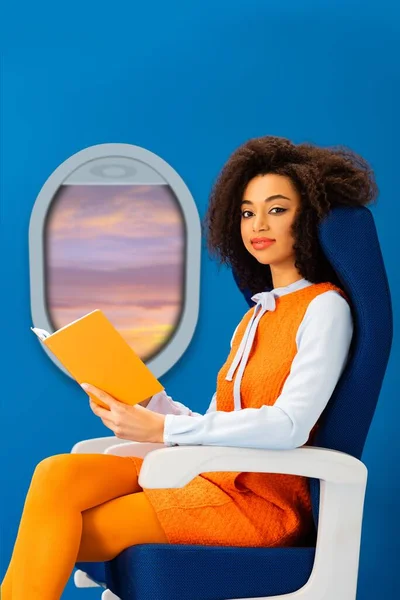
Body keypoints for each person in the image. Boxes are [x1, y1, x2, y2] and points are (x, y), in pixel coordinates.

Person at [1, 136, 377, 599]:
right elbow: (216, 422)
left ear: (309, 217)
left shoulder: (325, 308)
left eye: (276, 209)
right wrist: (145, 400)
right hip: (213, 477)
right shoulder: (254, 317)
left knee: (63, 531)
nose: (258, 224)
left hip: (260, 504)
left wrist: (161, 431)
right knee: (57, 474)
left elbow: (289, 425)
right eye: (246, 212)